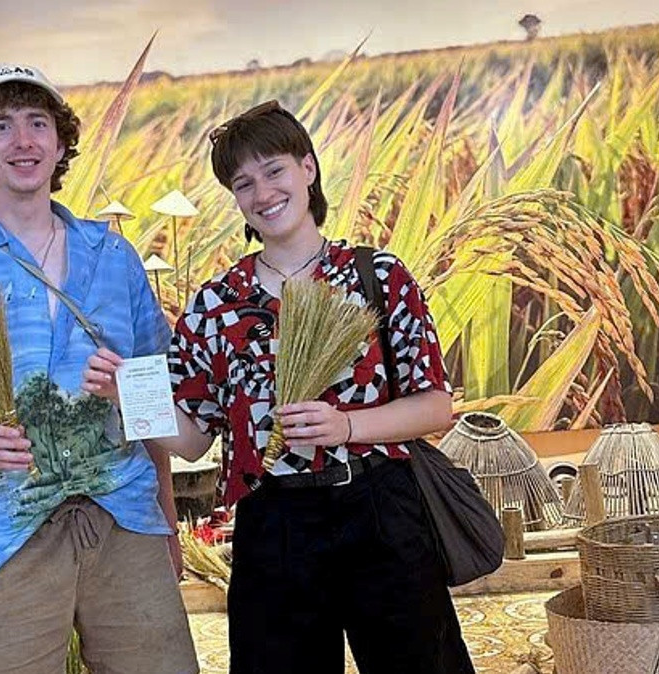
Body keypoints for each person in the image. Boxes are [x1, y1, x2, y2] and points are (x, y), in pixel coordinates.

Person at [84, 100, 475, 674]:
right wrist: (128, 397)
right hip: (275, 519)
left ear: (308, 169)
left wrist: (346, 426)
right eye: (243, 183)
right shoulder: (217, 304)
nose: (262, 193)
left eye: (274, 171)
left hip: (381, 507)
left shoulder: (377, 276)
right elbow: (193, 440)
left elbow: (435, 406)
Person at [0, 63, 197, 674]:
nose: (22, 141)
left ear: (60, 144)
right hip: (7, 534)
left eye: (38, 123)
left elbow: (146, 388)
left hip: (126, 522)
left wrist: (165, 515)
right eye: (1, 126)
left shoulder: (113, 256)